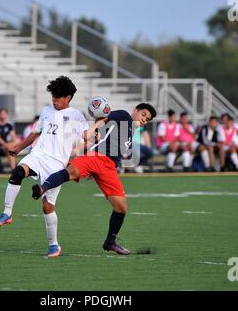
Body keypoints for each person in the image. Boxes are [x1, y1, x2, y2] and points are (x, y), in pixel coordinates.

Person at [0, 76, 95, 258]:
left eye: (58, 97)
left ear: (68, 97)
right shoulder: (46, 111)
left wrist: (90, 146)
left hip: (56, 165)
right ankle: (6, 213)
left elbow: (88, 138)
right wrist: (18, 148)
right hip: (38, 155)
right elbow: (34, 134)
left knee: (47, 206)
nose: (54, 100)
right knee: (17, 172)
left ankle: (54, 245)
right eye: (52, 96)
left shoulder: (77, 116)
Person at [31, 103, 157, 255]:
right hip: (96, 156)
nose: (144, 119)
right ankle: (42, 188)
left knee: (121, 207)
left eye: (147, 119)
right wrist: (90, 131)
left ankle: (110, 241)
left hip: (109, 167)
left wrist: (97, 171)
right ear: (135, 111)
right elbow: (104, 119)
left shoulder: (131, 132)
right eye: (143, 114)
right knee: (71, 171)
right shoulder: (124, 116)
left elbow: (109, 142)